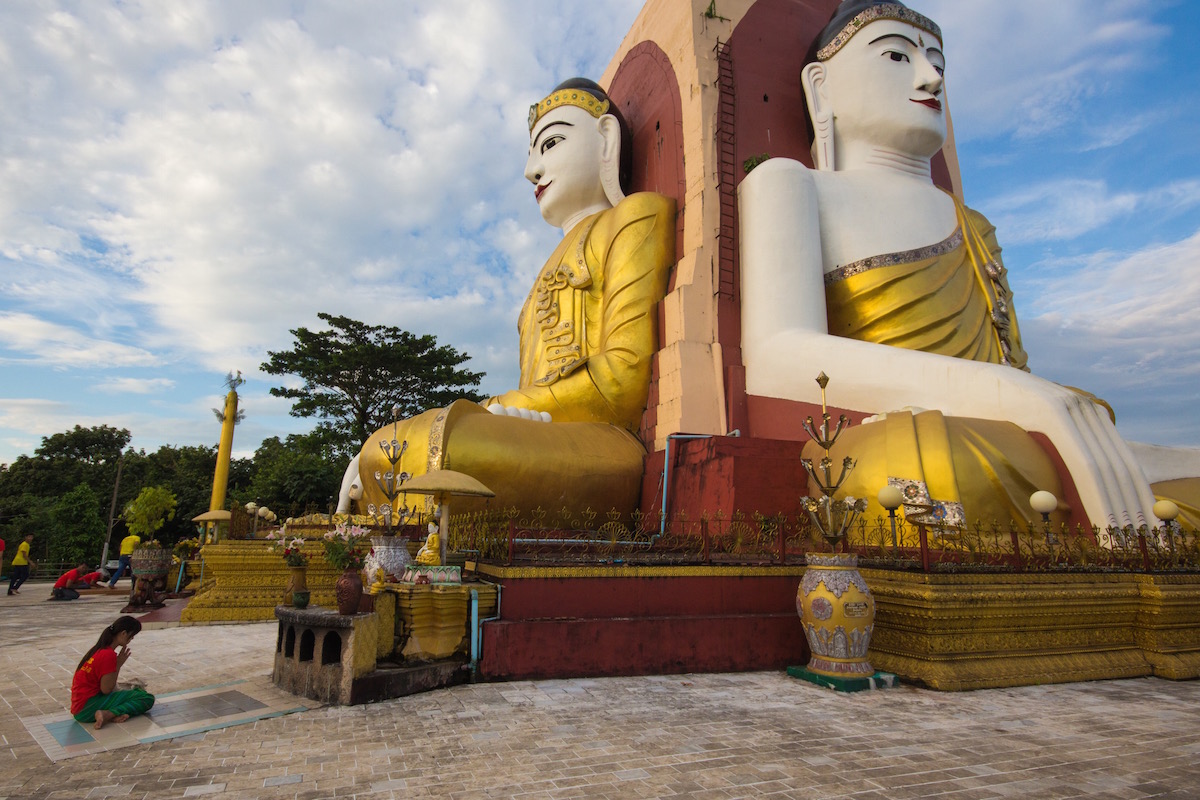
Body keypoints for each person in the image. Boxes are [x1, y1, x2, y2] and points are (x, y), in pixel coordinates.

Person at [737, 0, 1193, 530]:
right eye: (896, 56)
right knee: (929, 465)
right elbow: (776, 352)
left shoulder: (971, 223)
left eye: (938, 64)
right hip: (918, 431)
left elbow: (1009, 366)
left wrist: (1036, 398)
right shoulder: (791, 183)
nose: (930, 80)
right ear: (822, 87)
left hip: (1007, 425)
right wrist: (1019, 395)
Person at [336, 78, 675, 519]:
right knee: (391, 444)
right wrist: (502, 415)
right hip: (541, 433)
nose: (531, 170)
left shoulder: (632, 217)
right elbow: (531, 390)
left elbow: (621, 383)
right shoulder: (541, 275)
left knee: (451, 445)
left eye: (551, 143)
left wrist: (503, 412)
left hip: (604, 439)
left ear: (606, 139)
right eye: (532, 153)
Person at [71, 616, 154, 730]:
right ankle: (108, 714)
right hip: (87, 709)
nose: (132, 639)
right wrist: (118, 665)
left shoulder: (98, 649)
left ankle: (111, 714)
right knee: (146, 698)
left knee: (134, 692)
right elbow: (106, 689)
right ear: (124, 633)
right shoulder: (108, 655)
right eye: (132, 635)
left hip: (79, 708)